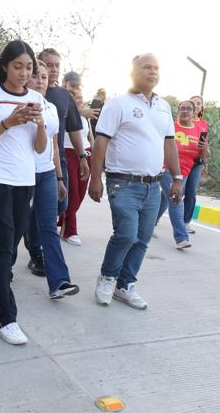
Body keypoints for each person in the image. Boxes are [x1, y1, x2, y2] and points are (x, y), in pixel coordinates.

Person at [0, 40, 48, 344]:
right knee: (2, 248)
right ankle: (3, 317)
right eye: (18, 66)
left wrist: (40, 124)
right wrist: (8, 122)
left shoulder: (35, 98)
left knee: (10, 247)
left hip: (25, 181)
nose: (24, 73)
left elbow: (39, 148)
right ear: (5, 67)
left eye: (29, 68)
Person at [88, 54, 181, 309]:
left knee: (142, 238)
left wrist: (177, 178)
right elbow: (101, 141)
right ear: (132, 72)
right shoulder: (118, 104)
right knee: (126, 235)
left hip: (154, 185)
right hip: (123, 183)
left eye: (156, 68)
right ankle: (108, 277)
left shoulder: (164, 107)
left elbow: (169, 144)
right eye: (146, 67)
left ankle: (125, 284)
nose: (153, 72)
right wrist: (95, 178)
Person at [24, 60, 78, 299]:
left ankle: (59, 282)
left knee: (48, 226)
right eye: (35, 75)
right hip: (21, 174)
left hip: (46, 172)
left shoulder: (52, 108)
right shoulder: (17, 104)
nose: (40, 81)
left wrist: (58, 178)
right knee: (14, 226)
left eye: (44, 77)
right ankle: (1, 273)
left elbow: (54, 145)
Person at [38, 51, 90, 251]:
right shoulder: (32, 91)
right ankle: (38, 247)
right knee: (46, 211)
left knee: (62, 204)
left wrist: (82, 156)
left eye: (57, 65)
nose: (54, 69)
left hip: (58, 161)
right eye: (49, 65)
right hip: (33, 161)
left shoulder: (63, 95)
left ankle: (33, 229)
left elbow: (74, 128)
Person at [167, 100, 210, 249]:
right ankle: (181, 238)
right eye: (182, 108)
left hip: (185, 170)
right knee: (175, 198)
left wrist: (205, 148)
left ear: (194, 112)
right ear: (178, 111)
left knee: (165, 197)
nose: (185, 111)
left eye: (189, 109)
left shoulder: (200, 130)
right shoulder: (170, 126)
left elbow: (204, 155)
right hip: (166, 168)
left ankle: (149, 222)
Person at [58, 70, 93, 246]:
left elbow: (90, 136)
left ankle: (62, 218)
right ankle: (70, 230)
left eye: (79, 96)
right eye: (73, 94)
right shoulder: (60, 99)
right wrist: (79, 111)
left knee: (80, 194)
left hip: (85, 154)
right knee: (71, 193)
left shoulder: (85, 116)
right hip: (67, 152)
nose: (76, 99)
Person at [183, 95, 210, 231]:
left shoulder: (204, 124)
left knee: (191, 193)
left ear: (201, 107)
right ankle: (154, 219)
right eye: (193, 103)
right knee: (173, 192)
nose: (196, 106)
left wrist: (204, 163)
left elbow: (204, 145)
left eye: (199, 103)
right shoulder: (181, 121)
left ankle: (185, 222)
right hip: (182, 161)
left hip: (196, 163)